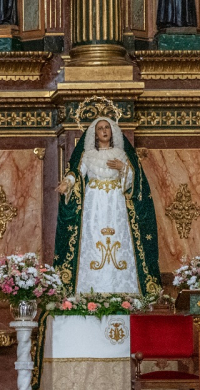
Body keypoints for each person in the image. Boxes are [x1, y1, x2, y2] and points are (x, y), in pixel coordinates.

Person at [54, 116, 161, 297]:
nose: (104, 131)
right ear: (95, 134)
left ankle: (123, 289)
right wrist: (67, 183)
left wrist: (123, 168)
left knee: (119, 239)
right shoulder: (88, 155)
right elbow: (77, 174)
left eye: (107, 128)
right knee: (93, 239)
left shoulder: (122, 155)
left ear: (112, 132)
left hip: (116, 203)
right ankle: (89, 290)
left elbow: (134, 182)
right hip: (94, 203)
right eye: (100, 128)